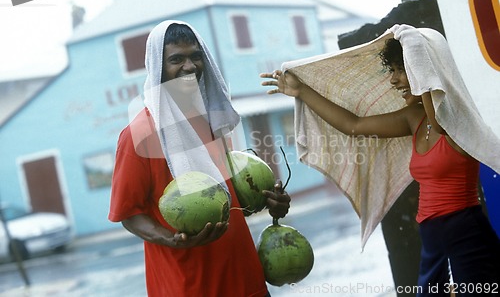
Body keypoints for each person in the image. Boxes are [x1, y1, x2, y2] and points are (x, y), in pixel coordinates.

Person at [261, 25, 500, 296]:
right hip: (432, 235)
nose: (394, 81)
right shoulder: (414, 119)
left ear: (422, 70)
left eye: (401, 70)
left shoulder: (456, 121)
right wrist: (301, 91)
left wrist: (410, 40)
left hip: (466, 231)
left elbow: (440, 115)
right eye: (393, 71)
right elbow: (354, 125)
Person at [109, 20, 290, 297]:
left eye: (196, 56)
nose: (190, 66)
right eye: (176, 59)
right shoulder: (139, 134)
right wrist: (173, 239)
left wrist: (268, 202)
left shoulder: (209, 122)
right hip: (189, 285)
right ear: (157, 67)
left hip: (245, 279)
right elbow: (128, 214)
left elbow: (227, 198)